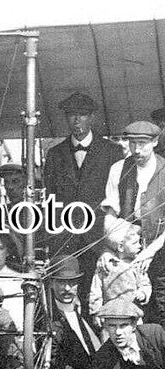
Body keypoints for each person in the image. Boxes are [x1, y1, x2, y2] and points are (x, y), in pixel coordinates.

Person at [43, 92, 123, 304]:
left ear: (92, 117)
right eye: (71, 115)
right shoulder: (54, 154)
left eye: (82, 114)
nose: (77, 120)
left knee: (98, 294)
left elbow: (119, 199)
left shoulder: (112, 152)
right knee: (63, 294)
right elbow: (50, 199)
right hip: (65, 240)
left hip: (98, 240)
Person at [99, 120, 165, 322]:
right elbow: (111, 214)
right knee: (127, 312)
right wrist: (109, 248)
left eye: (142, 143)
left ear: (155, 142)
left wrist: (150, 252)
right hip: (127, 254)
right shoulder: (118, 169)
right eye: (132, 143)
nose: (136, 150)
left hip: (161, 252)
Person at [76, 299, 165, 369]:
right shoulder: (107, 351)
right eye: (112, 326)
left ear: (134, 325)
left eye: (123, 325)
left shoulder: (155, 334)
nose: (118, 332)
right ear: (105, 327)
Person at [46, 256, 103, 369]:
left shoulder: (87, 308)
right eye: (61, 282)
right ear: (51, 283)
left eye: (72, 283)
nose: (67, 288)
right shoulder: (47, 316)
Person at [89, 219, 151, 315]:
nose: (139, 246)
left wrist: (143, 294)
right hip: (109, 315)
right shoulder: (106, 264)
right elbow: (96, 290)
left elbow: (145, 284)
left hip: (132, 314)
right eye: (135, 243)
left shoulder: (137, 264)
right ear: (120, 247)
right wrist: (95, 312)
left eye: (139, 242)